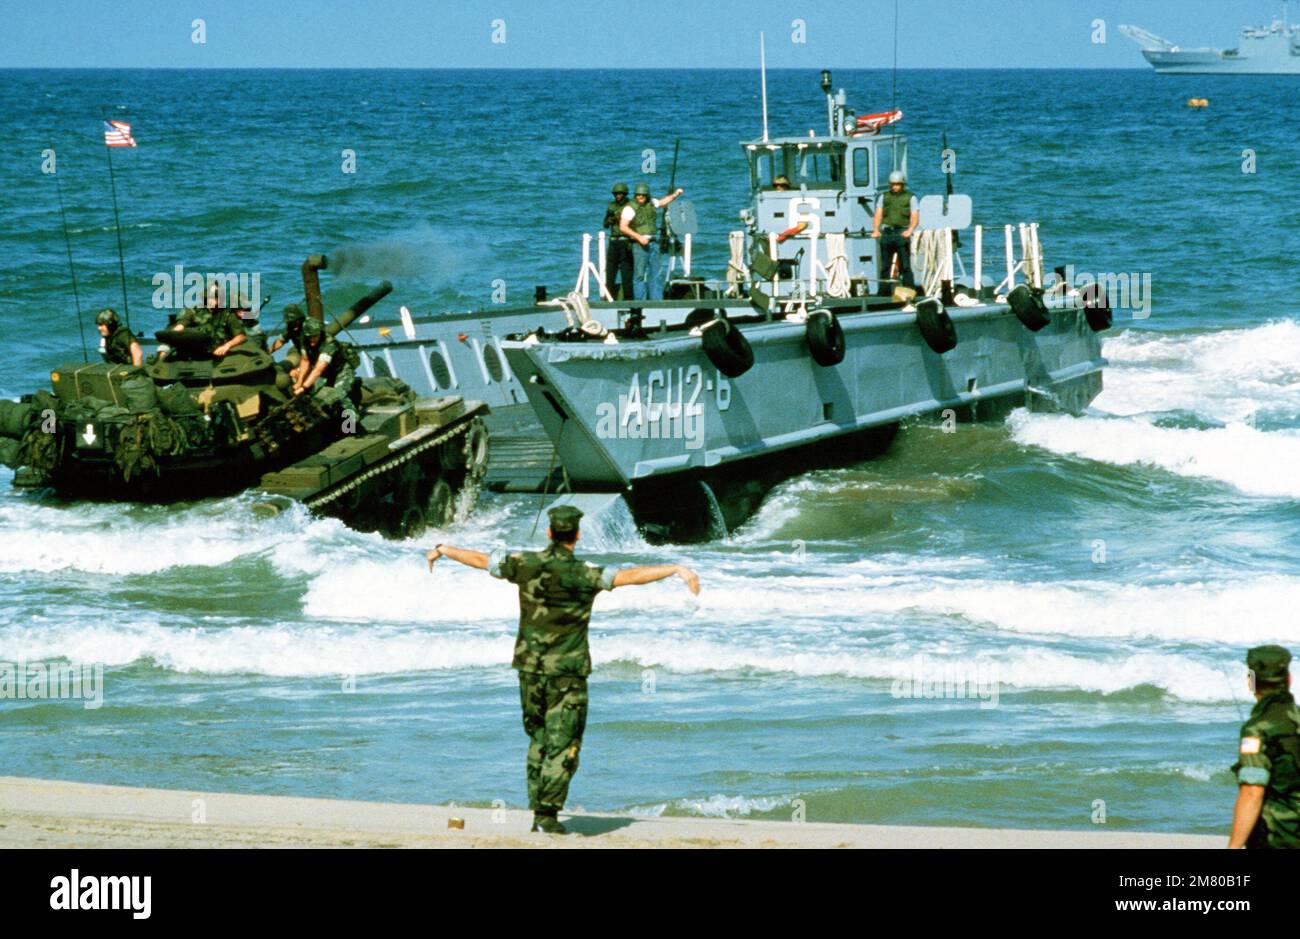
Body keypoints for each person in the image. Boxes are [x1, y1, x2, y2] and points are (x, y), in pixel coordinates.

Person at [426, 505, 700, 835]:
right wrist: (674, 569)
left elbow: (483, 561)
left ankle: (539, 811)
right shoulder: (586, 573)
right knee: (564, 743)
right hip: (567, 673)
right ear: (578, 535)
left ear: (550, 533)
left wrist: (444, 549)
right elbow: (628, 577)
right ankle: (545, 817)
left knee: (539, 739)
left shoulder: (525, 564)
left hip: (528, 669)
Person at [1228, 644, 1300, 849]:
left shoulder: (1257, 729)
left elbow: (1252, 790)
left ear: (1251, 682)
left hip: (1278, 837)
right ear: (1288, 680)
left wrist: (1233, 848)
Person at [618, 182, 684, 301]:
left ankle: (656, 301)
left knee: (657, 273)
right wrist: (638, 237)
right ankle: (640, 302)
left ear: (647, 195)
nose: (640, 197)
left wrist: (675, 194)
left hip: (654, 242)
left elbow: (662, 202)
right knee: (639, 275)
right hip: (639, 244)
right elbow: (623, 227)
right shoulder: (629, 208)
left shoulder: (652, 202)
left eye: (642, 195)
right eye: (638, 195)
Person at [293, 317, 359, 406]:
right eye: (309, 337)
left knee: (339, 396)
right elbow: (305, 360)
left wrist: (303, 387)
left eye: (315, 336)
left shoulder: (329, 344)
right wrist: (299, 382)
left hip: (341, 371)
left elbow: (318, 370)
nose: (312, 339)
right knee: (313, 394)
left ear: (320, 333)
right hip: (326, 373)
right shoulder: (305, 339)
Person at [871, 170, 919, 294]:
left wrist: (910, 230)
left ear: (902, 184)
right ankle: (883, 292)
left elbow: (915, 216)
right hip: (887, 233)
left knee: (905, 266)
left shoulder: (910, 197)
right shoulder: (883, 196)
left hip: (901, 233)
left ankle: (909, 291)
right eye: (892, 184)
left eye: (897, 184)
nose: (894, 186)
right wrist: (876, 230)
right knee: (885, 266)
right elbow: (878, 214)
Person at [603, 183, 635, 301]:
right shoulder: (611, 206)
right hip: (614, 241)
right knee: (610, 271)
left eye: (620, 194)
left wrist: (622, 218)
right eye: (616, 194)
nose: (618, 196)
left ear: (625, 194)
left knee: (626, 272)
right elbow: (605, 224)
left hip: (626, 241)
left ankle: (628, 299)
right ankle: (608, 297)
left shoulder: (630, 205)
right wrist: (611, 219)